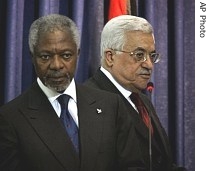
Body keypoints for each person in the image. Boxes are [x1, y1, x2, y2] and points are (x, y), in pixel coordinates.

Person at [0, 14, 145, 171]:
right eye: (45, 56)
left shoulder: (111, 105)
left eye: (66, 55)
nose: (56, 65)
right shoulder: (10, 118)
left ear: (78, 54)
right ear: (32, 57)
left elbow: (133, 166)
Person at [85, 15, 187, 171]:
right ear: (110, 57)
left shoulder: (142, 100)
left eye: (152, 56)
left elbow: (161, 163)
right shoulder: (89, 102)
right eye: (139, 55)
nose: (149, 65)